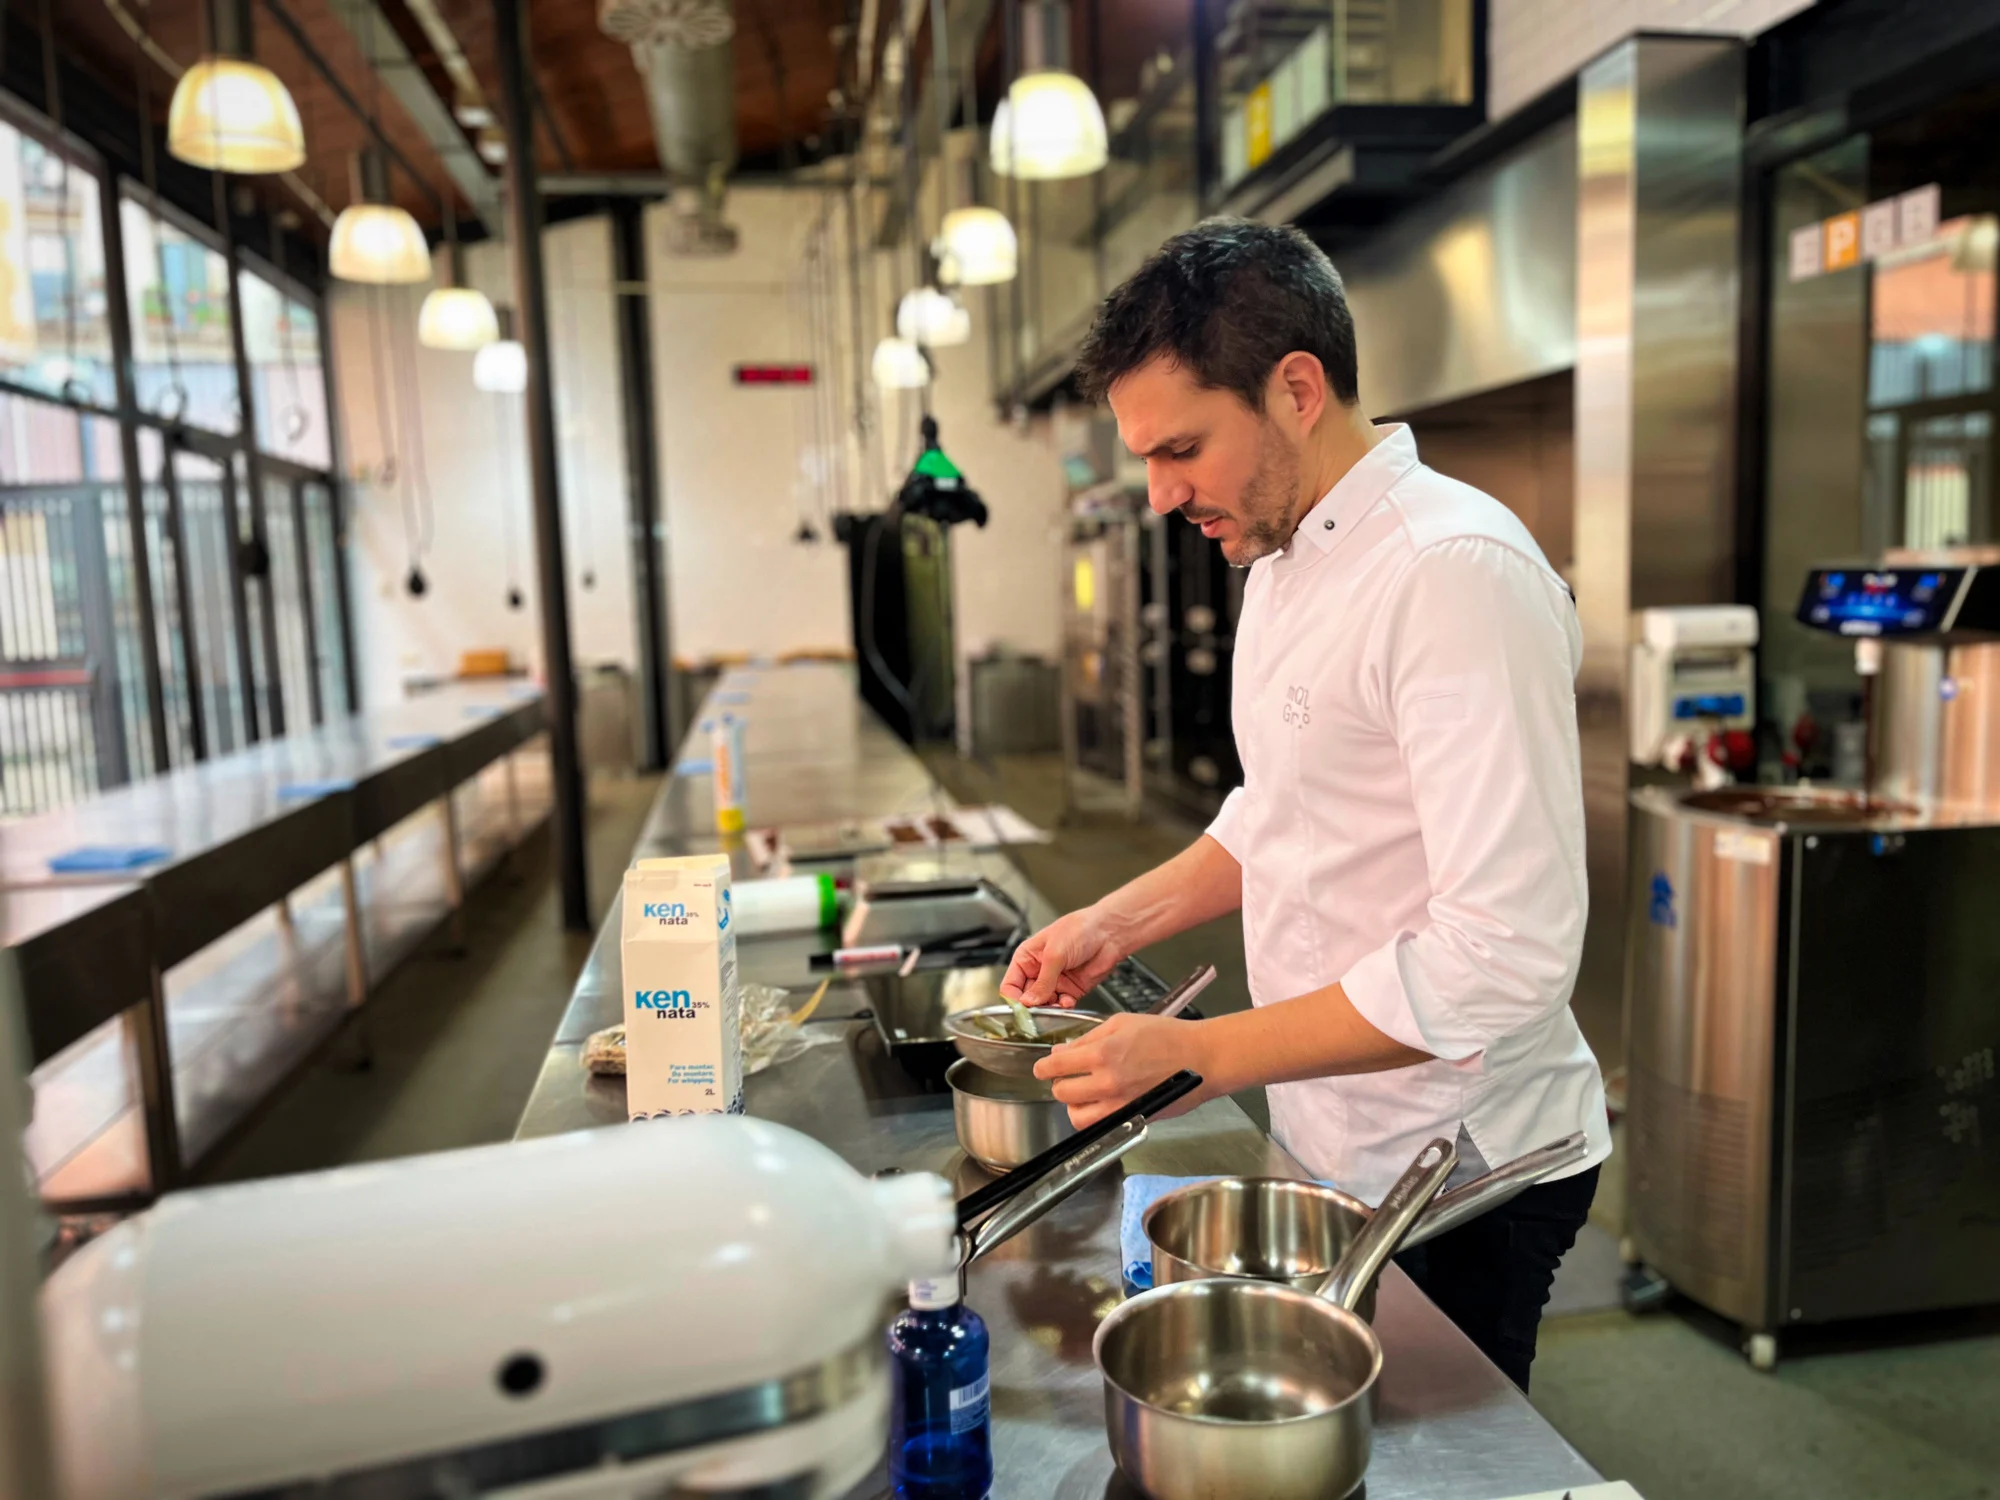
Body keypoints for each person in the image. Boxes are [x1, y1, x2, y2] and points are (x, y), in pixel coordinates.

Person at [1001, 218, 1610, 1391]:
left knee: (1438, 1461)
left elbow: (1504, 955)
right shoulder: (1283, 559)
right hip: (1332, 1127)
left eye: (1179, 448)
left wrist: (1194, 1056)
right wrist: (1112, 926)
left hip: (1458, 1163)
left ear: (1294, 389)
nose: (1157, 492)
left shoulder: (1451, 573)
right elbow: (1281, 810)